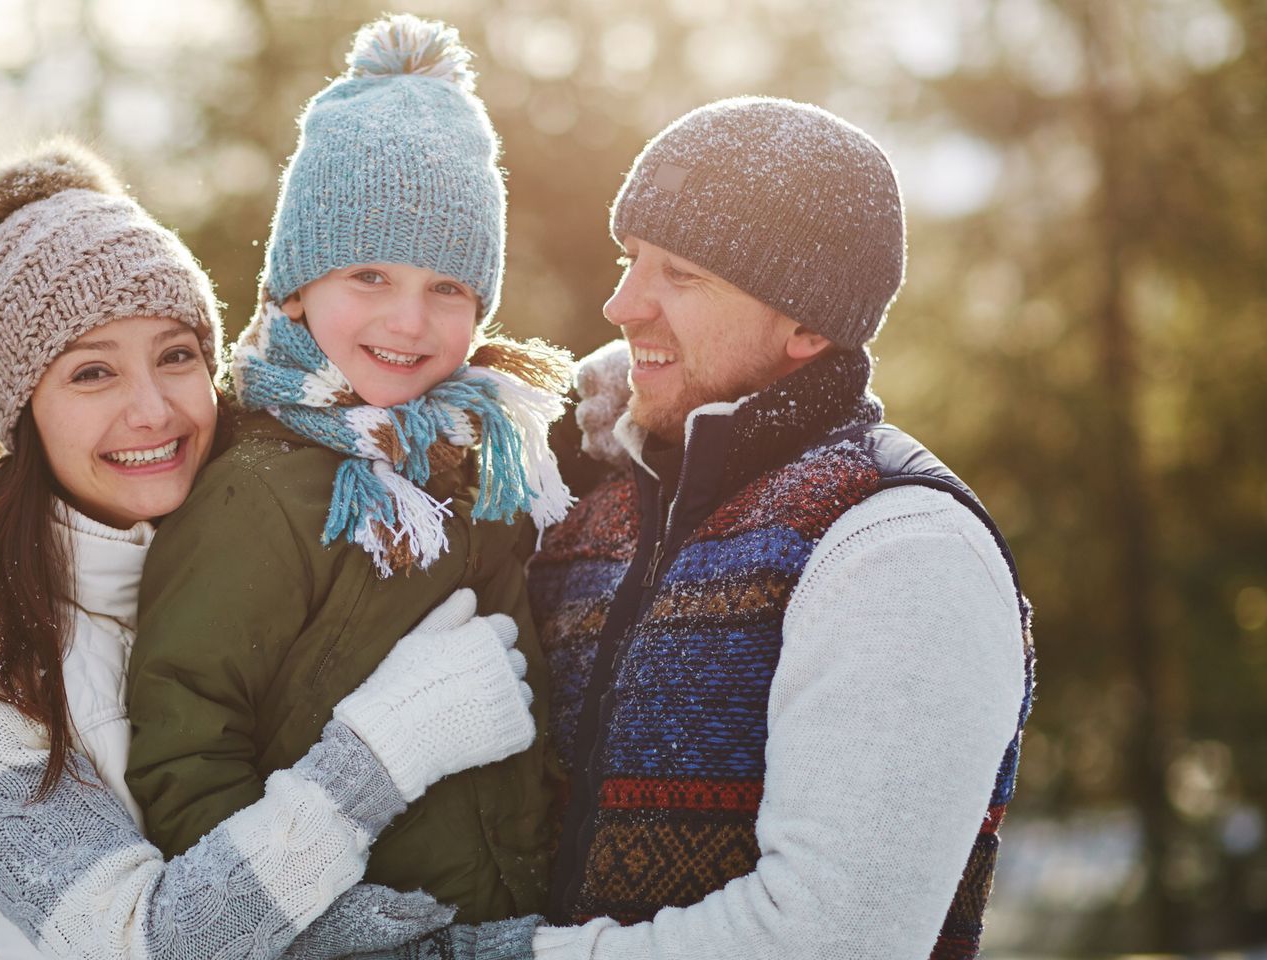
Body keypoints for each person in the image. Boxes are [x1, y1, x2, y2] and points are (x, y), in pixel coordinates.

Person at [369, 96, 1036, 960]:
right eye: (631, 259)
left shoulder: (899, 549)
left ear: (808, 325)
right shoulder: (588, 497)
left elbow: (832, 940)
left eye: (680, 275)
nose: (621, 304)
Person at [0, 140, 540, 959]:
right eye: (92, 374)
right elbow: (138, 943)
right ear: (22, 408)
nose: (152, 410)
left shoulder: (250, 554)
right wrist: (386, 751)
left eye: (176, 357)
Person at [125, 14, 570, 929]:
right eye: (369, 276)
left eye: (447, 288)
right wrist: (317, 932)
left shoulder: (481, 465)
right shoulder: (256, 492)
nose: (409, 323)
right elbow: (187, 755)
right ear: (296, 286)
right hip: (342, 925)